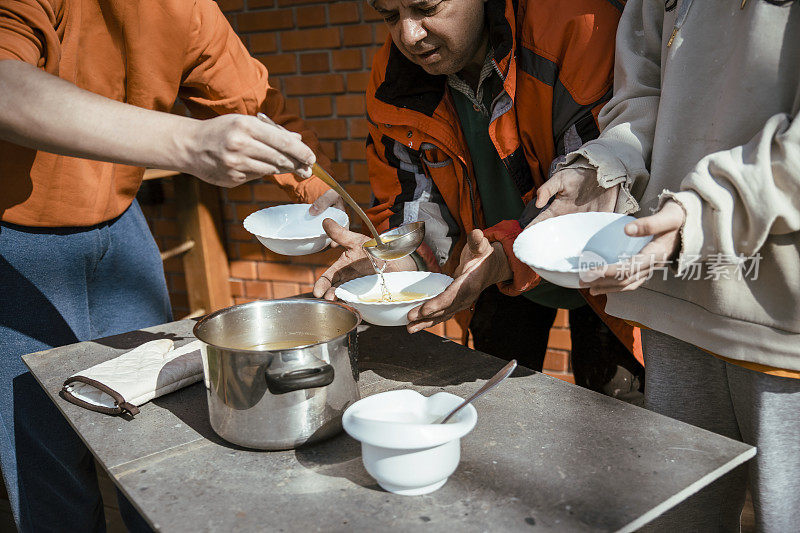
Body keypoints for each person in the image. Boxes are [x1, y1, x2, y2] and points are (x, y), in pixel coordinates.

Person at [0, 0, 340, 530]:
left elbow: (255, 105)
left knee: (154, 437)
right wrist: (187, 141)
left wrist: (323, 198)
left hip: (119, 224)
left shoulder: (185, 7)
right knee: (48, 461)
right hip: (11, 243)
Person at [533, 0, 800, 530]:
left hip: (781, 323)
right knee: (681, 519)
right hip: (676, 304)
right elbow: (642, 101)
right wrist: (606, 165)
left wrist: (700, 213)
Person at [313, 0, 644, 397]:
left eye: (427, 8)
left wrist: (505, 252)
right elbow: (410, 197)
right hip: (481, 266)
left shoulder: (577, 24)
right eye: (389, 16)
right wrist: (400, 258)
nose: (408, 35)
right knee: (494, 408)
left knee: (616, 413)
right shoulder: (392, 79)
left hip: (604, 261)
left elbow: (592, 195)